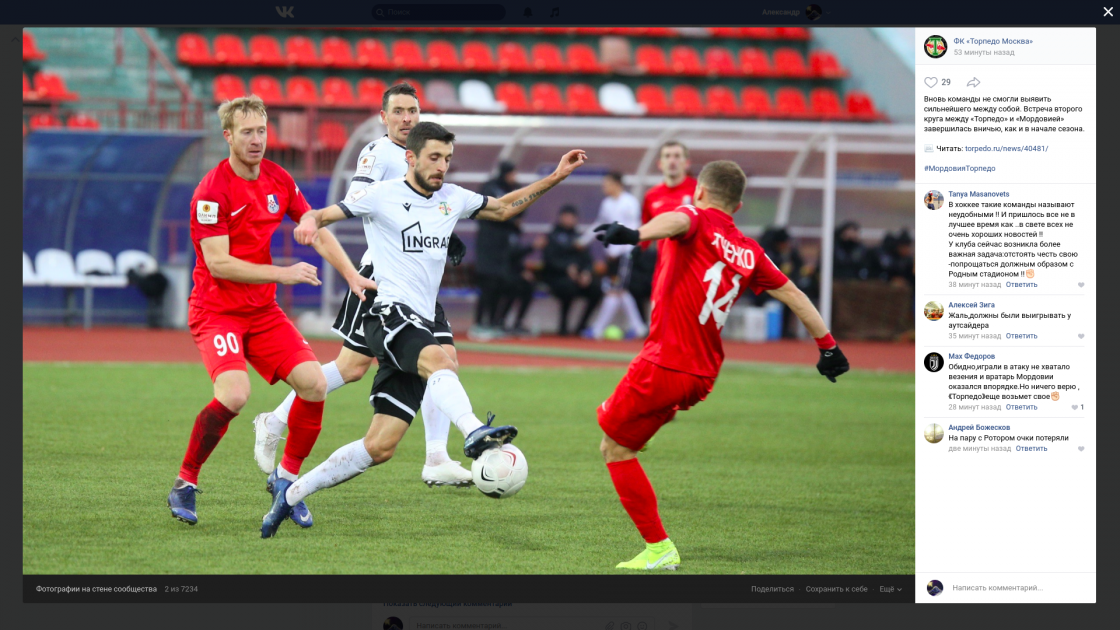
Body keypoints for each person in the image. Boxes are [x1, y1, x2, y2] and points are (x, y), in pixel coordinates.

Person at [259, 122, 587, 537]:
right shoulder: (382, 195)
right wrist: (308, 222)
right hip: (386, 312)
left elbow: (503, 208)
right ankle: (475, 433)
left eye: (447, 159)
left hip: (421, 317)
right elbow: (323, 214)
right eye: (433, 157)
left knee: (380, 446)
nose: (441, 167)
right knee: (441, 359)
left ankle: (287, 496)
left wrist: (557, 176)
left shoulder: (452, 198)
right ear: (411, 157)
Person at [593, 160, 850, 570]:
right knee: (629, 435)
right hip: (702, 374)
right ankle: (648, 430)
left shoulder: (693, 216)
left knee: (613, 446)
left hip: (665, 362)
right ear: (740, 204)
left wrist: (634, 234)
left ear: (699, 191)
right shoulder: (750, 250)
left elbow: (675, 222)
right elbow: (795, 294)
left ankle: (659, 548)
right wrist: (829, 347)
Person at [252, 83, 474, 489]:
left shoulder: (426, 153)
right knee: (351, 368)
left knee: (444, 360)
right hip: (381, 278)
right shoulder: (377, 153)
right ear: (383, 117)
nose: (407, 118)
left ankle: (437, 456)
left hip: (417, 278)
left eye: (413, 110)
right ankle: (274, 419)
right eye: (399, 111)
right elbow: (358, 199)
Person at [168, 95, 376, 526]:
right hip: (217, 311)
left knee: (314, 384)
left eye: (262, 130)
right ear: (228, 136)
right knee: (234, 396)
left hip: (262, 313)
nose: (257, 139)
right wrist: (280, 274)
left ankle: (286, 482)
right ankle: (185, 482)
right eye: (247, 132)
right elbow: (218, 262)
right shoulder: (211, 192)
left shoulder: (279, 179)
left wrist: (352, 276)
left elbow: (313, 227)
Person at [632, 141, 699, 320]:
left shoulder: (699, 191)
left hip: (695, 269)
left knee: (692, 326)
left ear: (687, 162)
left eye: (677, 156)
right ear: (660, 164)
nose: (672, 161)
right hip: (665, 269)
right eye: (667, 156)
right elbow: (646, 231)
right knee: (661, 323)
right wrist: (637, 248)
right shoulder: (652, 196)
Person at [580, 172, 645, 339]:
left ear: (617, 184)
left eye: (607, 183)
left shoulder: (629, 202)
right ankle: (639, 327)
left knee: (614, 290)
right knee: (619, 290)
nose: (604, 187)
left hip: (625, 254)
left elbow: (633, 228)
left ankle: (597, 329)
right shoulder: (607, 203)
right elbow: (600, 224)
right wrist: (584, 240)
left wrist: (619, 250)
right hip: (611, 254)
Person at [473, 160, 521, 336]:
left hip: (503, 249)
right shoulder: (489, 188)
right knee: (487, 286)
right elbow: (489, 211)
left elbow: (520, 209)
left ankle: (493, 324)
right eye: (512, 173)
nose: (514, 177)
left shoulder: (514, 188)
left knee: (500, 285)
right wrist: (508, 218)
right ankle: (478, 324)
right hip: (487, 246)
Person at [542, 205, 602, 336]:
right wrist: (566, 268)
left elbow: (587, 259)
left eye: (572, 217)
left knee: (597, 289)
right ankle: (563, 326)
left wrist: (586, 272)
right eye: (567, 216)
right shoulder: (552, 236)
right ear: (561, 217)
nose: (569, 220)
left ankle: (581, 326)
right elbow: (549, 259)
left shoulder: (579, 237)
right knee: (568, 288)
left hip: (579, 278)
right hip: (557, 278)